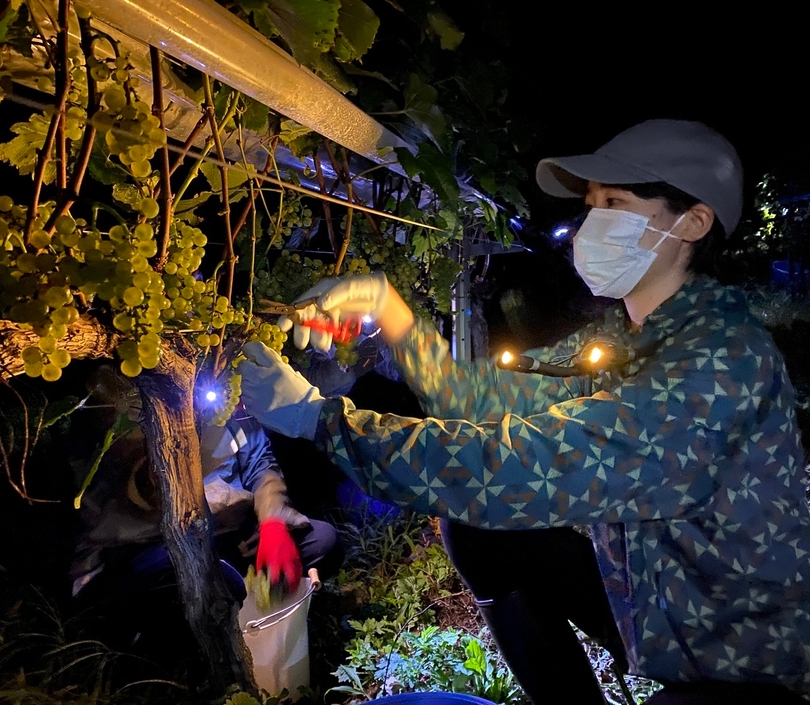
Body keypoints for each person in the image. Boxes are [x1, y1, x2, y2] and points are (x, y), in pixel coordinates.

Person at [238, 120, 810, 704]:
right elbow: (481, 399)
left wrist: (317, 419)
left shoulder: (721, 360)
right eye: (592, 205)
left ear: (692, 222)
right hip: (656, 600)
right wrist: (389, 311)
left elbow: (520, 464)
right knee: (478, 532)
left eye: (615, 203)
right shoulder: (630, 336)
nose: (591, 224)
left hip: (745, 660)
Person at [70, 365, 341, 655]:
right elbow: (121, 507)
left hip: (220, 536)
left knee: (321, 540)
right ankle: (171, 651)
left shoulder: (219, 396)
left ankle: (242, 611)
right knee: (214, 583)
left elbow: (260, 463)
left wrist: (273, 523)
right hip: (146, 549)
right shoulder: (112, 410)